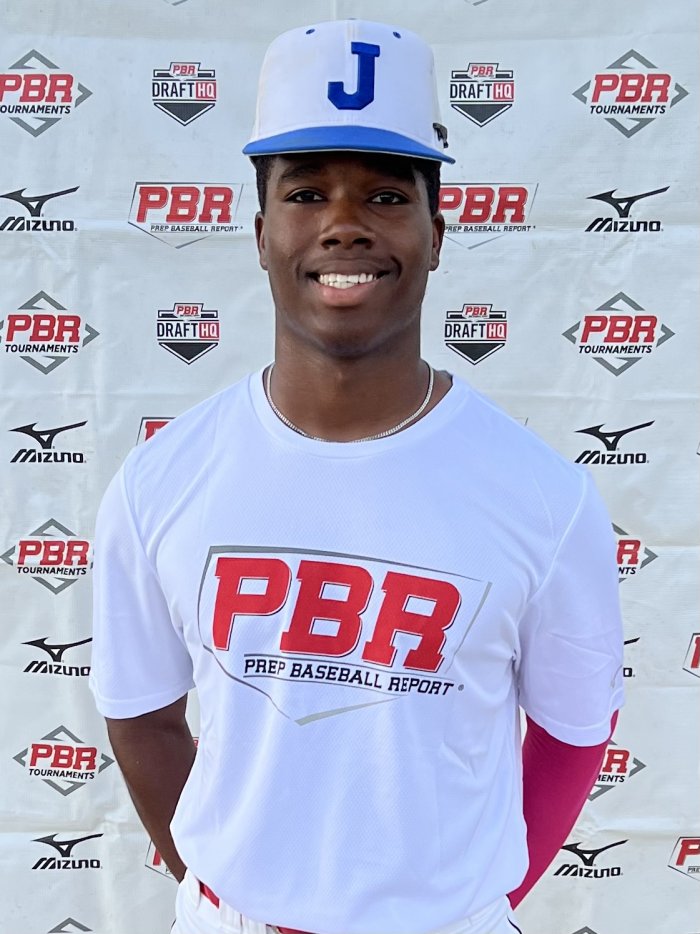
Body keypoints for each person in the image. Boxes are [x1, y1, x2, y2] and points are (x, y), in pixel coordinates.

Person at [90, 19, 624, 934]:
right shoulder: (160, 480)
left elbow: (574, 735)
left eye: (385, 195)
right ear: (262, 233)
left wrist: (473, 903)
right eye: (307, 193)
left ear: (436, 234)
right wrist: (239, 896)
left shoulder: (546, 497)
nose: (344, 224)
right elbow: (140, 715)